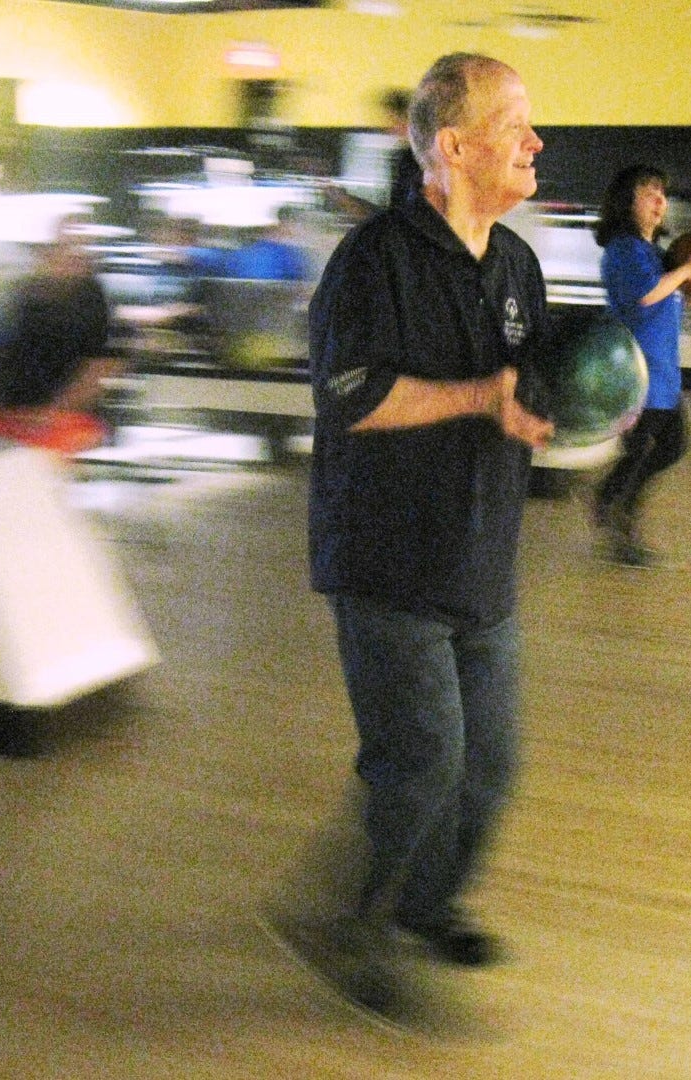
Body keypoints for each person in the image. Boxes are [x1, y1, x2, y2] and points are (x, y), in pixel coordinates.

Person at [277, 53, 553, 1018]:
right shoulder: (373, 260)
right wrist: (484, 396)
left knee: (491, 764)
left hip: (482, 557)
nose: (536, 141)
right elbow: (350, 396)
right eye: (515, 123)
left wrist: (616, 364)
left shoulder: (516, 264)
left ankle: (426, 906)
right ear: (452, 146)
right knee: (422, 760)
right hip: (387, 557)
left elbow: (536, 385)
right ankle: (340, 920)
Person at [591, 164, 691, 567]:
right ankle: (621, 528)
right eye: (648, 192)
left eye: (662, 193)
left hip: (662, 372)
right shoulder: (623, 250)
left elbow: (668, 294)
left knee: (670, 445)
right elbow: (647, 294)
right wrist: (688, 270)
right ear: (625, 201)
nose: (659, 201)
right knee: (643, 450)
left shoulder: (653, 252)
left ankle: (609, 498)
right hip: (637, 372)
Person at [0, 214, 123, 420]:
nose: (73, 257)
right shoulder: (21, 292)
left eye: (79, 247)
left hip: (58, 420)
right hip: (10, 413)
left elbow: (103, 363)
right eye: (64, 246)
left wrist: (56, 413)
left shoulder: (92, 295)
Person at [327, 87, 420, 220]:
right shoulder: (403, 157)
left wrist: (346, 202)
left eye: (392, 120)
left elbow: (397, 219)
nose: (388, 128)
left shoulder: (416, 162)